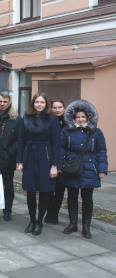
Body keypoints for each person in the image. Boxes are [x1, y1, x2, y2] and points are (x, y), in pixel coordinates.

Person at [59, 99, 107, 239]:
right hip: (71, 167)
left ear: (88, 118)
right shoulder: (66, 131)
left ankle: (86, 226)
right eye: (78, 117)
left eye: (83, 117)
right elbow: (61, 149)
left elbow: (101, 151)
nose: (80, 119)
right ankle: (73, 223)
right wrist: (60, 165)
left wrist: (102, 169)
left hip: (89, 169)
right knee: (72, 197)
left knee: (87, 199)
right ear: (74, 118)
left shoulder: (96, 132)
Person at [16, 92, 60, 236]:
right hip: (29, 156)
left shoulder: (52, 119)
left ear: (46, 104)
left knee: (44, 191)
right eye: (36, 102)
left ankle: (40, 221)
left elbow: (56, 143)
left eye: (42, 102)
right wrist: (20, 161)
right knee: (30, 191)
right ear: (33, 103)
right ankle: (32, 220)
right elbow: (21, 140)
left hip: (45, 158)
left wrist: (54, 165)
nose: (39, 104)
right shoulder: (26, 118)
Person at [0, 91, 21, 221]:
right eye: (0, 101)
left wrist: (10, 151)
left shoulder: (16, 119)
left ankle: (7, 211)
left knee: (8, 186)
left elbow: (20, 139)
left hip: (8, 158)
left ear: (9, 102)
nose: (2, 104)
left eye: (5, 101)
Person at [45, 99, 67, 224]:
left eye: (60, 107)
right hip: (49, 159)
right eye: (55, 107)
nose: (57, 110)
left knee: (60, 190)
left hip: (63, 161)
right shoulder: (48, 122)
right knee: (48, 189)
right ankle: (49, 211)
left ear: (64, 108)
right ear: (51, 109)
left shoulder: (69, 123)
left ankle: (54, 214)